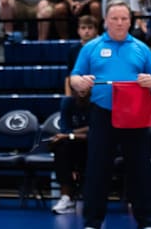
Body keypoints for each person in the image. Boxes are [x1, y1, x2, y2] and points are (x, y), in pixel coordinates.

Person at [70, 0, 151, 229]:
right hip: (103, 114)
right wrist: (80, 83)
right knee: (97, 168)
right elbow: (74, 78)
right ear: (105, 21)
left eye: (124, 18)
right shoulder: (91, 48)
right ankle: (92, 222)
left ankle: (147, 221)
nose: (119, 23)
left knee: (140, 169)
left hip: (135, 115)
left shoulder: (142, 49)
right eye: (114, 18)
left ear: (130, 21)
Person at [49, 83, 90, 214]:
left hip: (96, 145)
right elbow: (65, 129)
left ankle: (92, 199)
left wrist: (70, 134)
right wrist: (76, 134)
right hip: (74, 143)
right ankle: (67, 198)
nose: (81, 90)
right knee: (60, 147)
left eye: (85, 87)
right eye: (78, 88)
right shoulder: (67, 102)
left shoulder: (98, 103)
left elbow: (97, 131)